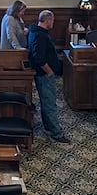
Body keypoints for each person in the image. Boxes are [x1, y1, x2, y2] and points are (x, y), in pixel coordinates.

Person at [25, 9, 69, 143]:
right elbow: (39, 58)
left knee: (46, 102)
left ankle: (49, 127)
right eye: (53, 20)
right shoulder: (41, 36)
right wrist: (49, 71)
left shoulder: (34, 31)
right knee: (50, 103)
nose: (53, 23)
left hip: (42, 74)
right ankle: (56, 133)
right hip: (44, 75)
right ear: (48, 20)